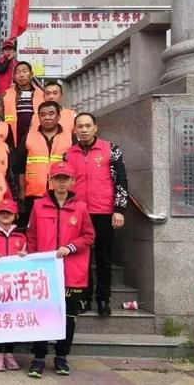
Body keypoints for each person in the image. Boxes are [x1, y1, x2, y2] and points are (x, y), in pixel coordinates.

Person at [26, 161, 95, 379]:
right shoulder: (38, 206)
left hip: (72, 272)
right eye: (57, 179)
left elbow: (89, 236)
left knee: (68, 317)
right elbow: (32, 237)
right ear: (50, 181)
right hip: (45, 272)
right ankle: (39, 357)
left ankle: (61, 356)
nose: (61, 183)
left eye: (65, 179)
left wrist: (71, 247)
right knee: (43, 314)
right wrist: (33, 263)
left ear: (73, 181)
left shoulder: (81, 207)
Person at [64, 112, 128, 316]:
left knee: (103, 257)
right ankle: (84, 298)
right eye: (80, 126)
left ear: (95, 128)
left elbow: (121, 181)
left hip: (104, 211)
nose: (83, 130)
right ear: (74, 129)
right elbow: (64, 184)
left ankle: (103, 299)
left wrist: (119, 210)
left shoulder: (111, 149)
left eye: (87, 126)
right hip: (78, 212)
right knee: (80, 258)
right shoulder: (68, 154)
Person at [0, 199, 26, 371]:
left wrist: (25, 256)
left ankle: (9, 353)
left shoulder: (21, 236)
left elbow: (30, 257)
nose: (5, 215)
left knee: (12, 319)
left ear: (16, 215)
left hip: (15, 286)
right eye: (2, 212)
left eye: (9, 212)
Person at [15, 101, 73, 226]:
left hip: (61, 192)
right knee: (36, 228)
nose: (47, 117)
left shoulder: (70, 138)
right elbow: (20, 166)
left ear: (58, 116)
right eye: (43, 114)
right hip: (34, 193)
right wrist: (22, 190)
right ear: (39, 117)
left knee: (60, 227)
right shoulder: (28, 137)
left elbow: (75, 166)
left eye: (51, 114)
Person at [2, 61, 44, 147]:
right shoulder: (6, 94)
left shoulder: (41, 94)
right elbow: (0, 117)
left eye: (24, 71)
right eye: (18, 72)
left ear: (31, 74)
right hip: (13, 138)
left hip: (37, 137)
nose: (21, 75)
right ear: (14, 76)